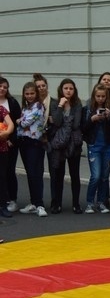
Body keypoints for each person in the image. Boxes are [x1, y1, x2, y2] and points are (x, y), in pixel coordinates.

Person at [48, 78, 84, 214]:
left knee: (75, 174)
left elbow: (76, 125)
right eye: (66, 88)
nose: (68, 91)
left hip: (73, 144)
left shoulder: (77, 104)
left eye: (71, 88)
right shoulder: (55, 103)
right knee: (58, 175)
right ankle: (57, 203)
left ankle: (76, 204)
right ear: (61, 90)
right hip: (59, 144)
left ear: (74, 90)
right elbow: (56, 122)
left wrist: (65, 120)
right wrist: (61, 106)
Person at [81, 83, 110, 214]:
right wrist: (92, 119)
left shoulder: (109, 109)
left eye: (103, 96)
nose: (100, 99)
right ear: (94, 96)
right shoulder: (88, 109)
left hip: (107, 145)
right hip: (94, 145)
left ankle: (101, 202)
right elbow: (83, 128)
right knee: (96, 176)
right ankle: (90, 202)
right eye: (98, 96)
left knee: (105, 176)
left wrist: (109, 117)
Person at [16, 82, 47, 217]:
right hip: (24, 142)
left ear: (36, 94)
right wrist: (21, 120)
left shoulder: (38, 106)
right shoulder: (26, 106)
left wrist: (19, 120)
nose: (29, 96)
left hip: (35, 143)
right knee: (30, 173)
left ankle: (40, 204)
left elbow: (24, 122)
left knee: (36, 173)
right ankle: (33, 203)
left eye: (32, 93)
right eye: (27, 94)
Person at [0, 77, 21, 214]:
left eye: (5, 87)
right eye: (0, 86)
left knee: (4, 175)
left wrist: (6, 134)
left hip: (4, 145)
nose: (2, 89)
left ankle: (4, 204)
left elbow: (12, 123)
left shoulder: (4, 107)